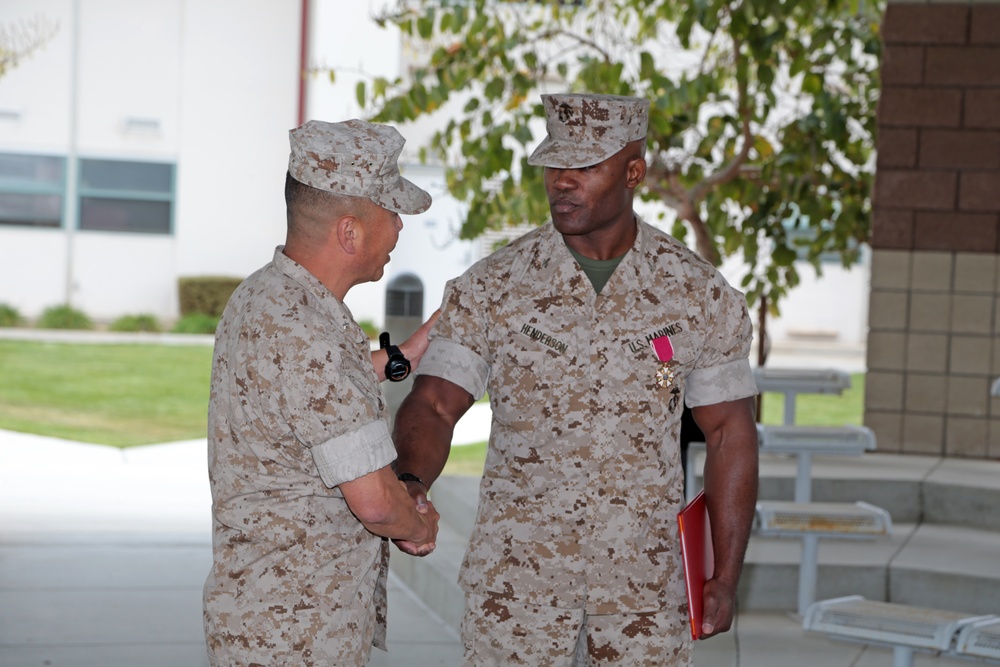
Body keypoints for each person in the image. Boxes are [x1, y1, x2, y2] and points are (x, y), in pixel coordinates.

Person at [392, 93, 759, 666]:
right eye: (554, 165)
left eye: (585, 167)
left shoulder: (699, 296)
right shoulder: (494, 287)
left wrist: (724, 573)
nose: (563, 181)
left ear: (633, 172)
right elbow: (435, 404)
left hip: (643, 589)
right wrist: (411, 479)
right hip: (517, 591)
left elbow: (730, 434)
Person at [203, 118, 440, 667]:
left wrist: (403, 355)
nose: (400, 229)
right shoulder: (311, 336)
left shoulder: (267, 296)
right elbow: (378, 505)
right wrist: (418, 522)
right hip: (300, 637)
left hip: (263, 619)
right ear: (350, 232)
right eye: (392, 213)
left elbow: (312, 395)